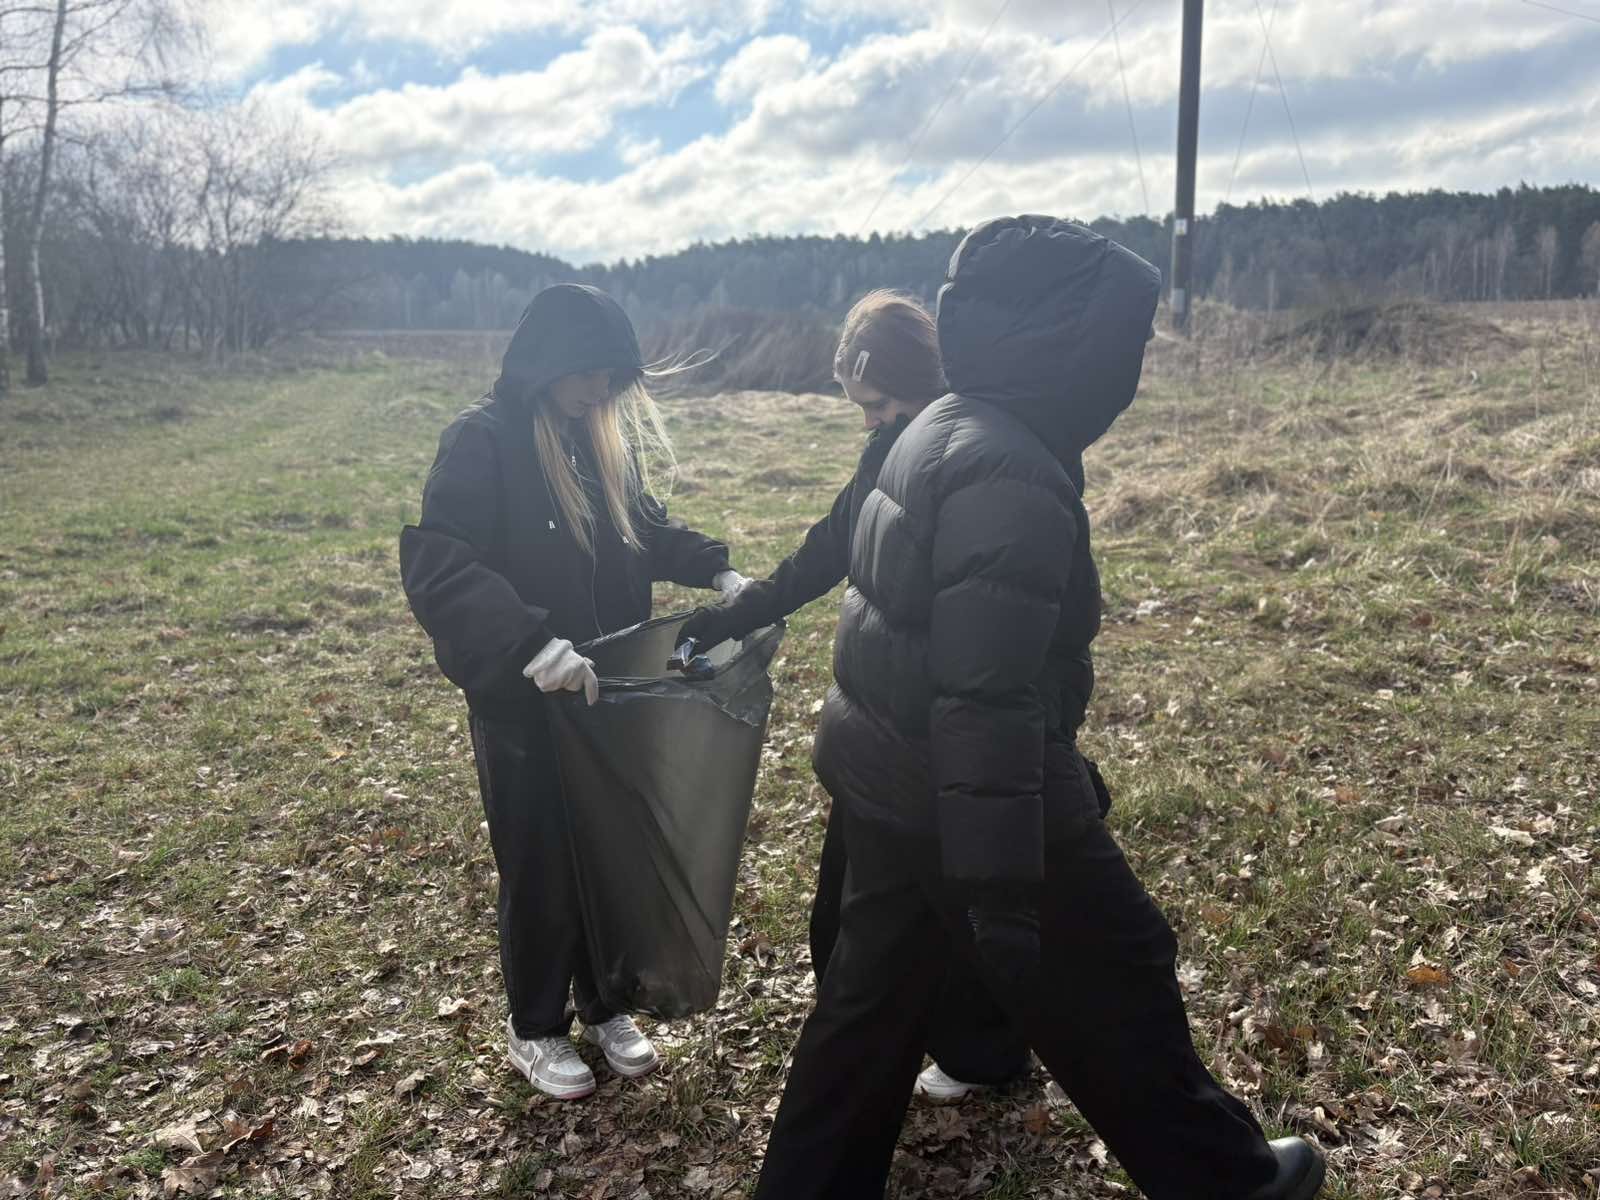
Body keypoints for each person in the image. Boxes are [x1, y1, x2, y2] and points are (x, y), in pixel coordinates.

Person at [751, 217, 1326, 1200]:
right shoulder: (1004, 465)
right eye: (1125, 340)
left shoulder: (950, 425)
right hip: (964, 788)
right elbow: (984, 691)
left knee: (863, 1019)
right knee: (1116, 968)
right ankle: (1229, 1183)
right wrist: (1005, 891)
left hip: (894, 779)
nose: (1131, 364)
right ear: (1071, 345)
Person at [398, 283, 749, 1101]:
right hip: (525, 705)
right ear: (549, 361)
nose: (602, 391)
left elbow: (643, 527)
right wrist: (530, 643)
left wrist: (718, 568)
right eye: (591, 372)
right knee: (541, 863)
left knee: (607, 853)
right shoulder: (482, 442)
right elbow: (440, 564)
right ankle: (534, 1026)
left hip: (603, 697)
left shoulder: (591, 443)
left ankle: (604, 1004)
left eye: (613, 378)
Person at [680, 289, 1033, 1101]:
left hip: (944, 726)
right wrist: (736, 613)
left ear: (920, 379)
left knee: (942, 902)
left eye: (877, 403)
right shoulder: (891, 451)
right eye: (860, 408)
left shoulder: (971, 452)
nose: (870, 420)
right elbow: (830, 546)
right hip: (883, 722)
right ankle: (929, 1045)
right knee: (854, 908)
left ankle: (980, 1050)